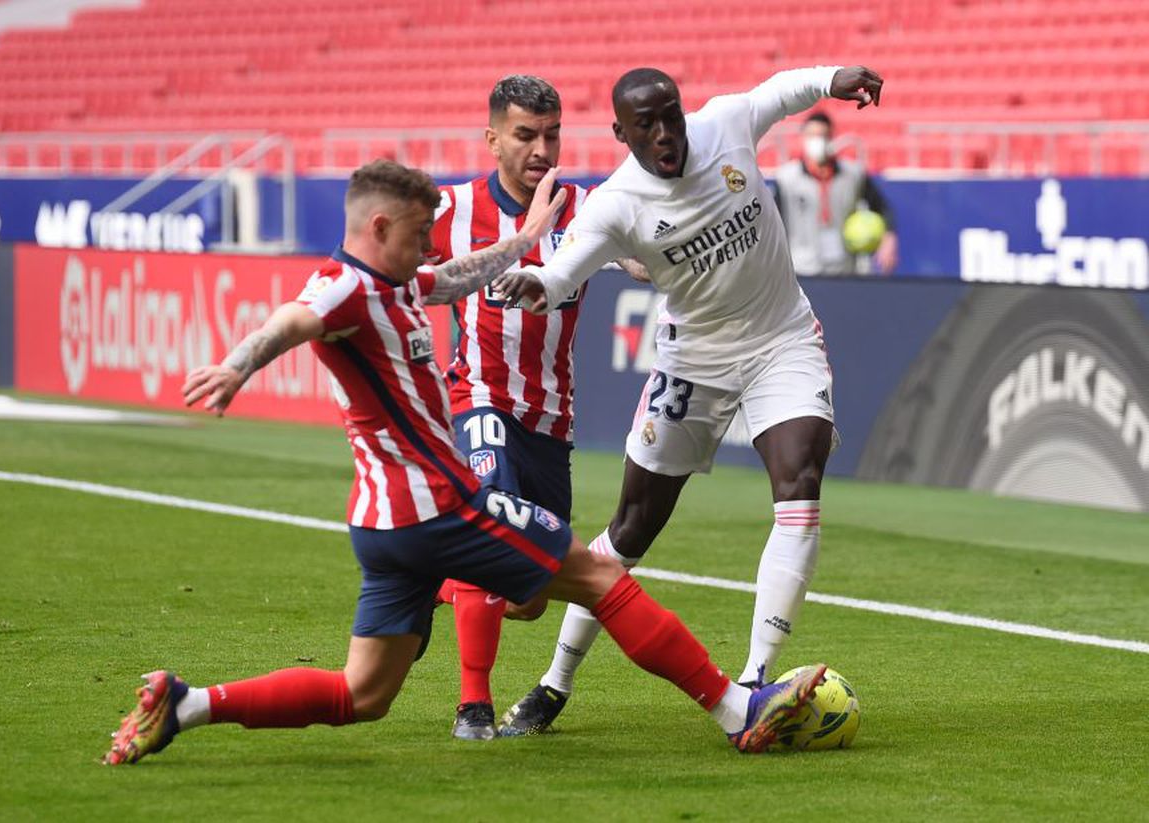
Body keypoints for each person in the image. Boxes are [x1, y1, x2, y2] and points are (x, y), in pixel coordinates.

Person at [102, 158, 826, 766]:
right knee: (599, 576)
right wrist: (237, 365)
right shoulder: (346, 287)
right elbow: (293, 318)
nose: (428, 246)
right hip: (441, 505)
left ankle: (187, 705)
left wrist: (528, 239)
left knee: (363, 693)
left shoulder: (395, 281)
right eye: (418, 233)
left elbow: (452, 277)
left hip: (385, 526)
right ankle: (739, 711)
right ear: (378, 227)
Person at [493, 65, 882, 735]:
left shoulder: (724, 124)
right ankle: (555, 682)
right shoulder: (616, 203)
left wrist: (833, 79)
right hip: (693, 361)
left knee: (801, 482)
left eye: (670, 116)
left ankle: (756, 684)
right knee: (632, 528)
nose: (665, 134)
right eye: (645, 125)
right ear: (621, 133)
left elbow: (779, 92)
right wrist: (538, 285)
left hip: (781, 339)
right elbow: (563, 271)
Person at [429, 74, 648, 741]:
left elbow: (643, 263)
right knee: (491, 533)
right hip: (480, 399)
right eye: (525, 135)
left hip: (551, 419)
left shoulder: (586, 209)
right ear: (492, 139)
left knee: (526, 596)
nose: (542, 150)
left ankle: (429, 573)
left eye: (552, 134)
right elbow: (387, 264)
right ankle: (473, 707)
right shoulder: (451, 209)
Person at [774, 111, 898, 275]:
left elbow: (881, 207)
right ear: (802, 137)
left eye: (823, 136)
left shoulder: (853, 174)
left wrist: (889, 238)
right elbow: (773, 223)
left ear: (832, 138)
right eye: (812, 135)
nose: (817, 141)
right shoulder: (787, 178)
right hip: (801, 267)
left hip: (844, 268)